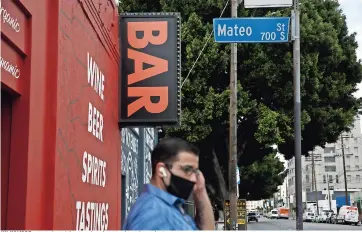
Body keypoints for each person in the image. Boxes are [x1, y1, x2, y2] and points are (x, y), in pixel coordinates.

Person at [122, 137, 215, 230]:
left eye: (195, 172)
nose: (194, 179)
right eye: (187, 170)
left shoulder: (170, 206)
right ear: (161, 170)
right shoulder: (153, 214)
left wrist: (200, 191)